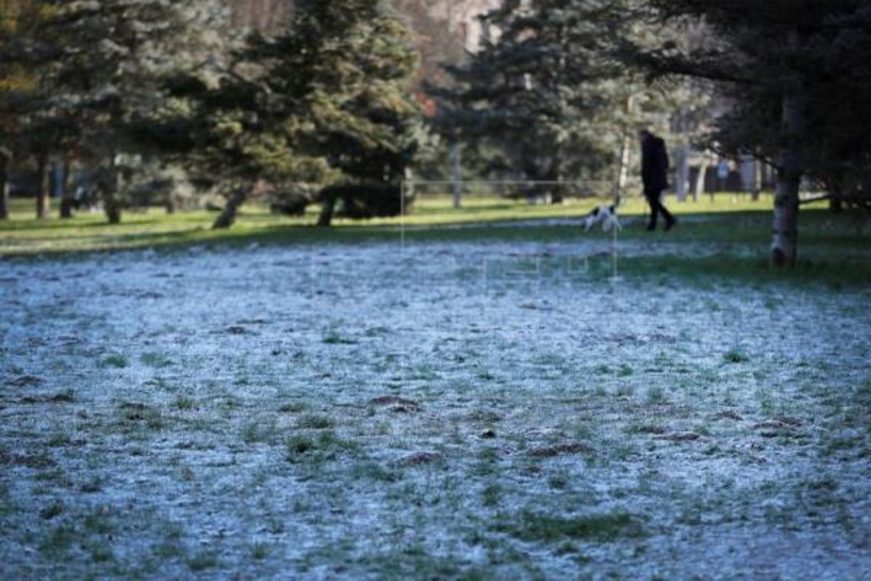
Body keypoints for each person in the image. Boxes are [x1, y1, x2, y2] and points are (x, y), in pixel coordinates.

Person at [639, 129, 676, 231]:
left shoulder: (647, 146)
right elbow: (666, 163)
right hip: (660, 178)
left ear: (644, 136)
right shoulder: (660, 146)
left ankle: (669, 218)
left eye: (640, 137)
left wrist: (645, 181)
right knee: (653, 202)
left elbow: (646, 165)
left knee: (654, 202)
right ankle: (653, 225)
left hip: (652, 179)